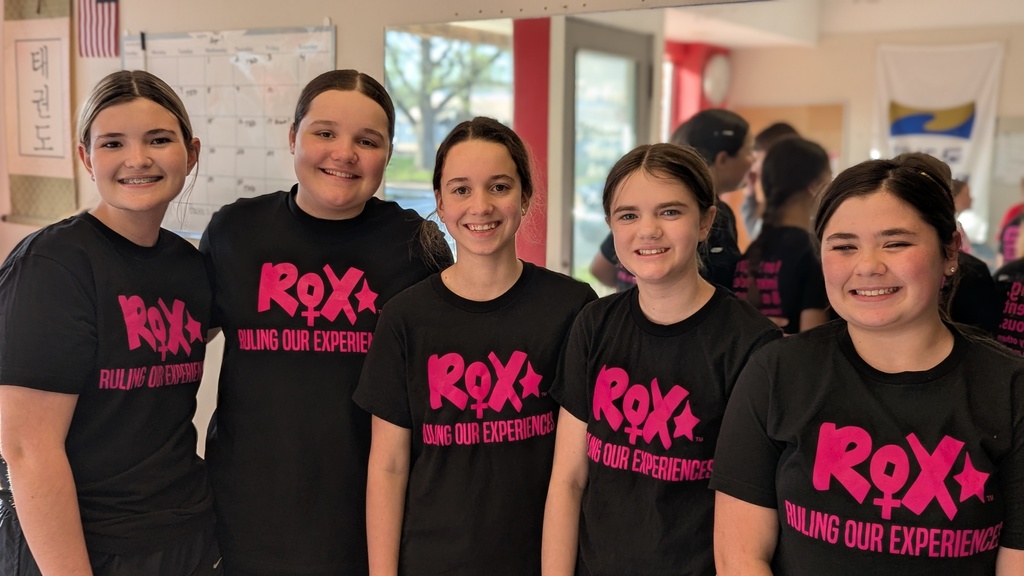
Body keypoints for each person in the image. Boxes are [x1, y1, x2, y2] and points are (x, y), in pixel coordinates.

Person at [711, 153, 1024, 575]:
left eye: (895, 243)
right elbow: (740, 557)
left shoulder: (1011, 390)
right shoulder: (776, 372)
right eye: (843, 246)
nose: (869, 266)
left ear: (950, 250)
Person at [199, 70, 452, 576]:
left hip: (370, 525)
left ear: (387, 153)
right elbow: (176, 352)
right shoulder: (237, 231)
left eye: (368, 140)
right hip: (246, 520)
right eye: (325, 132)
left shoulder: (416, 246)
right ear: (293, 137)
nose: (344, 153)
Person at [354, 117, 596, 575]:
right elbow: (387, 466)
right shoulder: (405, 317)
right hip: (432, 560)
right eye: (461, 189)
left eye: (499, 187)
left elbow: (577, 471)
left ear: (525, 197)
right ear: (440, 203)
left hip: (542, 559)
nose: (480, 206)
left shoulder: (572, 306)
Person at [0, 70, 218, 575]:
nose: (137, 159)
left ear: (191, 152)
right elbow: (26, 448)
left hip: (182, 533)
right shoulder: (52, 266)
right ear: (86, 157)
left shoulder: (190, 267)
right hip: (81, 545)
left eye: (158, 140)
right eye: (113, 143)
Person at [542, 143, 780, 575]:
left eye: (670, 212)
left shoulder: (752, 345)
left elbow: (748, 518)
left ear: (706, 221)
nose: (647, 231)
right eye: (628, 215)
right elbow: (568, 481)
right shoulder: (594, 325)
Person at [733, 137, 831, 334]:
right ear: (815, 186)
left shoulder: (751, 252)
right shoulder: (812, 253)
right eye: (830, 178)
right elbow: (813, 343)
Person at [670, 108, 755, 290]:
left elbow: (602, 267)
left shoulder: (654, 203)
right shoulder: (715, 213)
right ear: (723, 159)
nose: (753, 160)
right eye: (748, 151)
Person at [741, 122, 800, 240]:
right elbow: (756, 237)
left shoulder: (797, 203)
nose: (754, 168)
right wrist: (750, 194)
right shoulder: (774, 199)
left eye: (757, 159)